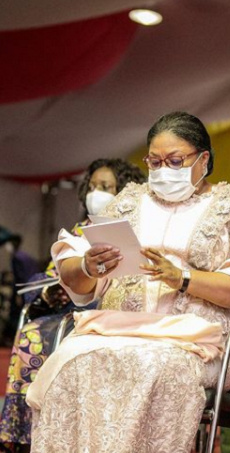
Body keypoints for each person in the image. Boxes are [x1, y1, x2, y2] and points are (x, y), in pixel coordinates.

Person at [25, 112, 230, 453]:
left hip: (201, 342)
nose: (163, 170)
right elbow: (73, 277)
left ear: (204, 159)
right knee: (71, 360)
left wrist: (183, 278)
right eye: (154, 162)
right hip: (118, 329)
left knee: (155, 366)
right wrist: (87, 266)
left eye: (175, 160)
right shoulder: (127, 201)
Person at [0, 158, 146, 453]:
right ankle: (23, 435)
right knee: (33, 331)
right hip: (67, 313)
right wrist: (51, 291)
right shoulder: (81, 230)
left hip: (113, 315)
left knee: (46, 335)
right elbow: (45, 280)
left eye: (105, 187)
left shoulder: (137, 229)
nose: (96, 192)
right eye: (92, 186)